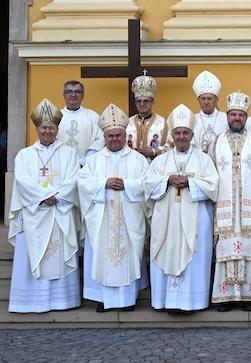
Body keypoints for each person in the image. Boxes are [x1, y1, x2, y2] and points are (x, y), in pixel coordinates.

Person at [8, 98, 81, 313]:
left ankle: (62, 301)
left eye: (51, 127)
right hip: (34, 214)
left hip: (59, 212)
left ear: (57, 129)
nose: (47, 131)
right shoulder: (25, 155)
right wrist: (43, 196)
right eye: (43, 127)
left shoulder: (69, 153)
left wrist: (55, 197)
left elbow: (74, 179)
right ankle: (28, 302)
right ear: (37, 129)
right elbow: (22, 181)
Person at [145, 104, 219, 314]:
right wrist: (167, 180)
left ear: (192, 134)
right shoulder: (161, 161)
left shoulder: (203, 160)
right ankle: (165, 301)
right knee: (166, 250)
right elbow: (148, 184)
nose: (181, 137)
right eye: (177, 133)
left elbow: (214, 186)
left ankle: (192, 302)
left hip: (195, 219)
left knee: (194, 257)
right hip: (167, 219)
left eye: (185, 133)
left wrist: (190, 183)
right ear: (172, 135)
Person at [78, 103, 149, 312]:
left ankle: (128, 300)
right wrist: (104, 184)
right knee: (102, 255)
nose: (115, 139)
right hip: (102, 219)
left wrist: (127, 184)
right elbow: (82, 183)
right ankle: (102, 299)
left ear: (125, 134)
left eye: (118, 135)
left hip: (128, 219)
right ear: (104, 137)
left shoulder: (138, 159)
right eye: (111, 136)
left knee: (127, 256)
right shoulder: (93, 160)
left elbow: (147, 183)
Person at [208, 92, 251, 312]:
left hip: (248, 208)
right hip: (225, 206)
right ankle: (226, 298)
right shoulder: (216, 143)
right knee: (226, 251)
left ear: (246, 116)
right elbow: (210, 174)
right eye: (233, 114)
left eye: (240, 115)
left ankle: (249, 297)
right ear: (227, 116)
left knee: (249, 250)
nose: (236, 118)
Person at [57, 80, 103, 165]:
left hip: (86, 165)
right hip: (60, 163)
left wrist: (86, 160)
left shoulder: (92, 116)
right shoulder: (56, 116)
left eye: (77, 92)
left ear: (83, 95)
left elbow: (100, 139)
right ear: (63, 95)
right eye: (69, 92)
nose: (73, 95)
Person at [127, 72, 171, 160]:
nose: (142, 104)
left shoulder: (163, 123)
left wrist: (154, 151)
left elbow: (171, 145)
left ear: (152, 102)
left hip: (155, 166)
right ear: (135, 103)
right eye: (139, 101)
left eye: (146, 101)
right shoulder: (127, 123)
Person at [190, 70, 228, 153]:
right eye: (203, 99)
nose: (206, 102)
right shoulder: (192, 120)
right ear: (198, 100)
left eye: (209, 98)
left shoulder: (225, 118)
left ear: (216, 100)